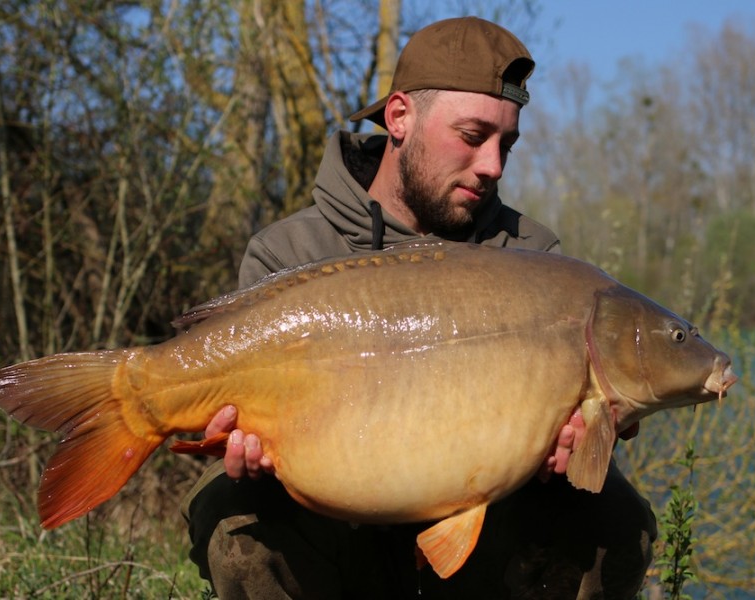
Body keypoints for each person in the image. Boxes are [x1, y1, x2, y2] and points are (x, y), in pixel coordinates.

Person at [182, 16, 656, 599]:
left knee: (615, 517)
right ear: (400, 117)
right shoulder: (290, 253)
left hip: (485, 533)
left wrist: (583, 439)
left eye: (506, 144)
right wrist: (239, 444)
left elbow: (580, 434)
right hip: (339, 521)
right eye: (473, 135)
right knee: (234, 518)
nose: (493, 166)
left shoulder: (534, 259)